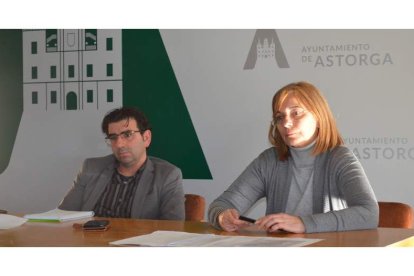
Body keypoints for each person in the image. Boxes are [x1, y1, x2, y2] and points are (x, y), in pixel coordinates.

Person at [208, 81, 379, 233]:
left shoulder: (340, 158)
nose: (286, 123)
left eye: (296, 113)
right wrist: (222, 216)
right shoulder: (269, 160)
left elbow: (369, 213)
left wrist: (303, 223)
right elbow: (221, 205)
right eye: (280, 117)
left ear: (319, 117)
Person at [59, 107, 185, 220]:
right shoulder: (91, 167)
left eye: (127, 135)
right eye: (113, 137)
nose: (119, 144)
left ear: (146, 138)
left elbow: (172, 229)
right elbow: (64, 214)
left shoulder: (168, 175)